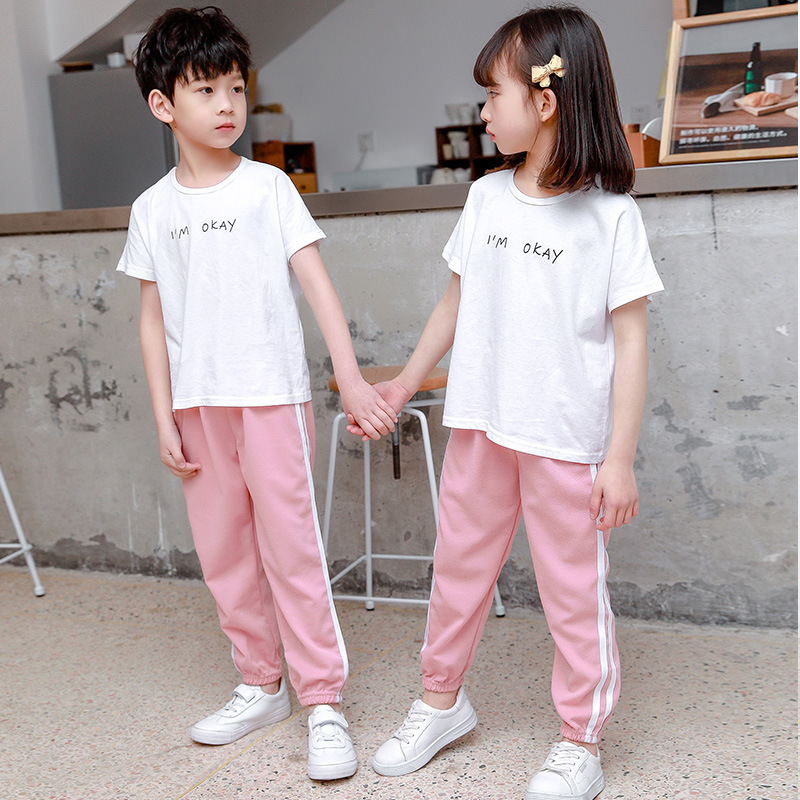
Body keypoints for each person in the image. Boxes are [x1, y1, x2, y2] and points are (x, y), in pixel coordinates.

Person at [351, 6, 664, 800]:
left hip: (564, 440)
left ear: (546, 100)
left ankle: (580, 739)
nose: (483, 111)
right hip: (481, 427)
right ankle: (440, 702)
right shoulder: (487, 198)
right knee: (458, 573)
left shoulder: (611, 217)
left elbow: (632, 344)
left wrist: (619, 458)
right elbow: (454, 303)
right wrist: (405, 381)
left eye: (493, 94)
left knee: (572, 594)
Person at [116, 6, 396, 781]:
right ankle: (260, 683)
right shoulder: (152, 209)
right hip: (199, 407)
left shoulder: (268, 188)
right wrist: (164, 414)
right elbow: (151, 322)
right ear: (163, 104)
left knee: (291, 552)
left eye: (235, 88)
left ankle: (324, 702)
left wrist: (349, 376)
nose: (227, 105)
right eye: (206, 90)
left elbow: (318, 286)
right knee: (226, 556)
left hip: (271, 398)